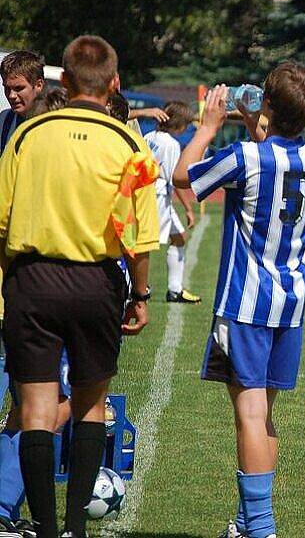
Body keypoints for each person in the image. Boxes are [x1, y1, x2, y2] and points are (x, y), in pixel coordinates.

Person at [0, 35, 158, 538]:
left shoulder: (27, 135)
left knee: (35, 410)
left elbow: (1, 222)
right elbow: (139, 235)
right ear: (113, 84)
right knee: (91, 403)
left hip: (32, 278)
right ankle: (75, 528)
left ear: (62, 80)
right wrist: (141, 295)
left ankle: (43, 527)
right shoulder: (129, 142)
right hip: (97, 282)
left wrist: (8, 284)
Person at [172, 62, 305, 538]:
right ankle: (246, 524)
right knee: (266, 415)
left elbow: (184, 177)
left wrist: (208, 127)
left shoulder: (245, 156)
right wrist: (255, 119)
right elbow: (277, 153)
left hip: (246, 302)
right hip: (291, 301)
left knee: (250, 414)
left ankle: (261, 527)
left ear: (270, 107)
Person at [0, 84, 72, 538]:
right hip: (45, 293)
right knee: (53, 407)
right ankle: (6, 502)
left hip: (18, 290)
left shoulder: (17, 151)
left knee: (23, 406)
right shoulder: (51, 161)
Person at [0, 51, 46, 410]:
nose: (13, 95)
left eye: (19, 88)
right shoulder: (3, 124)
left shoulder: (49, 127)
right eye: (7, 89)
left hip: (35, 260)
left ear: (39, 85)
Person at [143, 101, 201, 303]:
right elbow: (176, 180)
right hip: (158, 196)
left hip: (148, 193)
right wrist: (188, 209)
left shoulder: (149, 136)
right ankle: (137, 286)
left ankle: (175, 290)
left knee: (180, 237)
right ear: (178, 124)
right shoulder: (172, 145)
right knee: (145, 244)